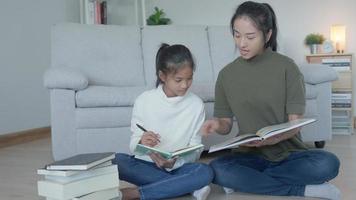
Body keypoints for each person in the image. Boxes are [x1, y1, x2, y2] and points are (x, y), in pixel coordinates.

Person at [201, 1, 341, 200]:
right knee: (217, 168)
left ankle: (250, 182)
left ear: (267, 35)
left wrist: (278, 137)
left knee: (328, 163)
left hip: (289, 154)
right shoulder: (226, 75)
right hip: (248, 156)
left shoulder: (287, 68)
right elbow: (225, 125)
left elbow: (295, 123)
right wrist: (215, 124)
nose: (242, 43)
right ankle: (301, 189)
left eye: (250, 37)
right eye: (237, 35)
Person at [113, 43, 213, 200]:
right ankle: (188, 187)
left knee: (205, 171)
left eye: (189, 79)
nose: (185, 85)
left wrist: (174, 162)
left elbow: (196, 149)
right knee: (116, 161)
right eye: (178, 80)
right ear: (162, 76)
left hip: (178, 167)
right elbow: (134, 146)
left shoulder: (196, 104)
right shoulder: (144, 100)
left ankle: (137, 193)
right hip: (146, 165)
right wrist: (142, 141)